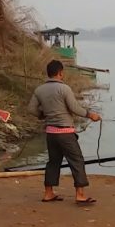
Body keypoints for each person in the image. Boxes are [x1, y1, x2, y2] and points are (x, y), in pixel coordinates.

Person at [28, 60, 101, 204]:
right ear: (60, 73)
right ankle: (80, 194)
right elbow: (74, 108)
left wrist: (43, 115)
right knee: (77, 161)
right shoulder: (64, 89)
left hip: (51, 133)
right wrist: (90, 114)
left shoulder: (39, 90)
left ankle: (48, 193)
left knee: (53, 162)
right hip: (65, 133)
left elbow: (31, 109)